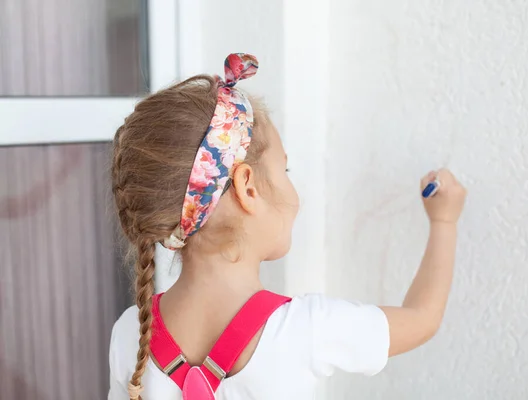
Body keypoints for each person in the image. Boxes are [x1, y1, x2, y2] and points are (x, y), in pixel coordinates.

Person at [108, 53, 467, 400]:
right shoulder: (307, 330)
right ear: (247, 187)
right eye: (285, 171)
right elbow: (422, 319)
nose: (292, 187)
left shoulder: (130, 335)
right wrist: (444, 220)